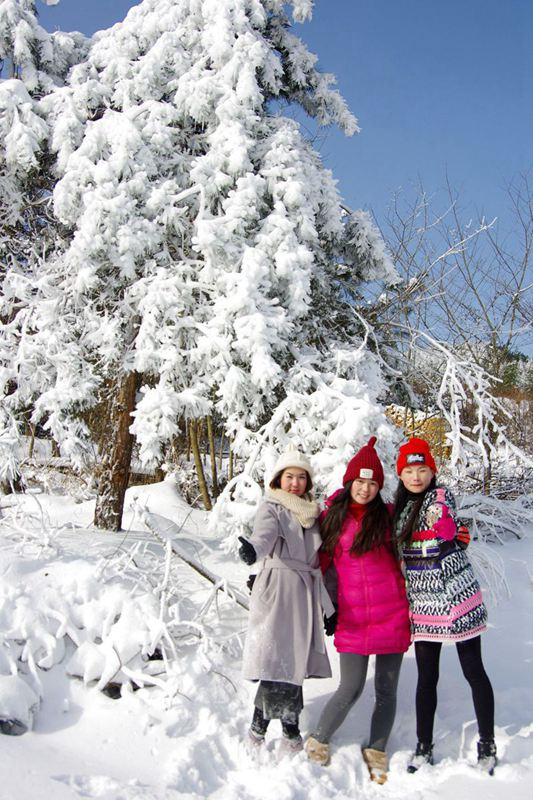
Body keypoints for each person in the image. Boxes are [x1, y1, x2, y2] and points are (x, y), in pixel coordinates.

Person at [305, 437, 411, 784]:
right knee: (349, 688)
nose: (364, 489)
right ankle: (319, 741)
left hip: (393, 615)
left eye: (372, 483)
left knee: (386, 690)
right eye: (359, 482)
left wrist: (456, 534)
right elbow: (313, 562)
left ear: (379, 487)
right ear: (348, 482)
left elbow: (426, 528)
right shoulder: (331, 519)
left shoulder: (389, 516)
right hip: (353, 619)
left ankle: (376, 748)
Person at [392, 437, 497, 775]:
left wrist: (450, 529)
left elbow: (445, 521)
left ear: (432, 472)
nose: (417, 476)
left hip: (456, 597)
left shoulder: (440, 497)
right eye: (410, 470)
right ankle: (424, 746)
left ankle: (487, 742)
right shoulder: (399, 510)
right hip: (423, 603)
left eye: (423, 470)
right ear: (401, 475)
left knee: (473, 670)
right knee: (427, 677)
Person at [238, 444, 333, 756]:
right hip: (278, 591)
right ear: (278, 479)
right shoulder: (273, 507)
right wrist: (253, 550)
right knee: (279, 663)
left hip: (304, 593)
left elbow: (319, 558)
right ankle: (288, 734)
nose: (296, 483)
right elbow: (263, 535)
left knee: (288, 663)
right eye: (290, 476)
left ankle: (259, 731)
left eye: (301, 477)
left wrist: (328, 606)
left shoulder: (311, 512)